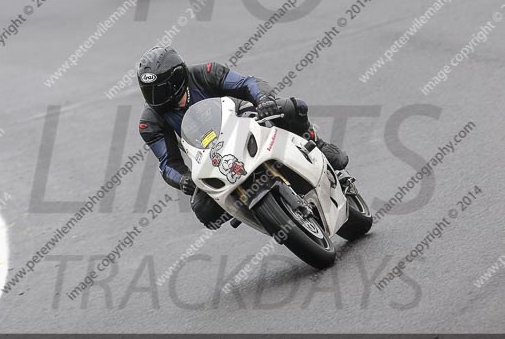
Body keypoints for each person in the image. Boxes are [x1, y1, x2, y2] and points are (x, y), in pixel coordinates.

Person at [137, 46, 349, 230]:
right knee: (203, 211)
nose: (155, 98)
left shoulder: (206, 73)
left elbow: (247, 83)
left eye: (159, 90)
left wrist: (264, 100)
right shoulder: (150, 122)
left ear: (176, 80)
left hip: (243, 120)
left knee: (292, 107)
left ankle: (317, 144)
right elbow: (168, 163)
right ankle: (252, 210)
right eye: (149, 92)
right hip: (212, 157)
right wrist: (184, 179)